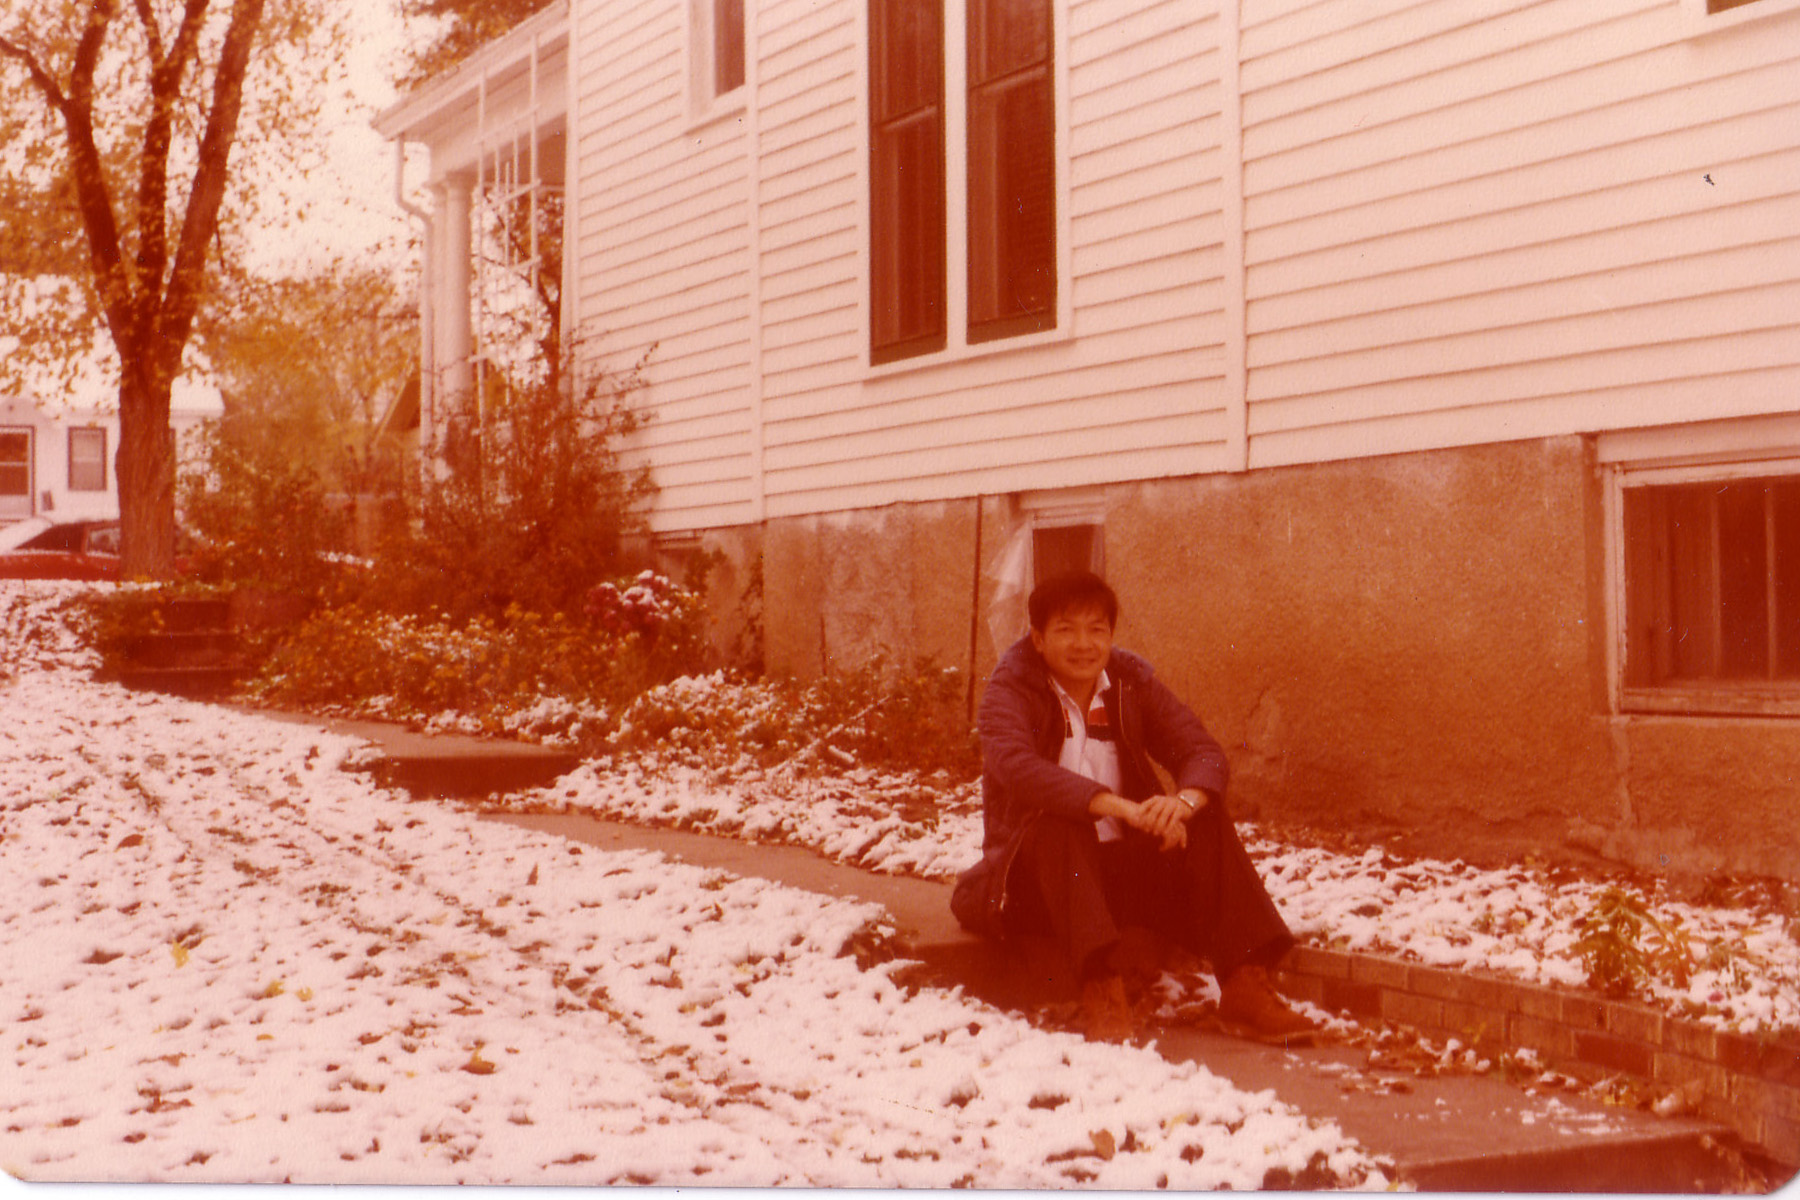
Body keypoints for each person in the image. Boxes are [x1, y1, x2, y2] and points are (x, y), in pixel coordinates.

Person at [952, 570, 1321, 1045]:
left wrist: (1182, 803)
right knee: (1059, 823)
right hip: (1034, 884)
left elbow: (1201, 751)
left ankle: (1245, 986)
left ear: (1111, 634)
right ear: (1038, 639)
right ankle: (1101, 989)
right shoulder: (1010, 689)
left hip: (1112, 879)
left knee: (1204, 814)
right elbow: (1019, 769)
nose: (1083, 644)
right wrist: (1117, 807)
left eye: (1096, 629)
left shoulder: (1130, 683)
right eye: (1066, 630)